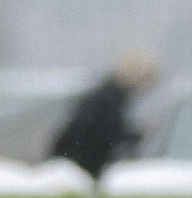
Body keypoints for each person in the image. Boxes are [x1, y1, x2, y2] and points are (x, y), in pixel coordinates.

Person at [49, 49, 160, 179]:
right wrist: (137, 135)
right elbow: (109, 133)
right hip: (77, 167)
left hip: (73, 163)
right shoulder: (108, 100)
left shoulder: (105, 96)